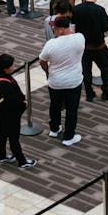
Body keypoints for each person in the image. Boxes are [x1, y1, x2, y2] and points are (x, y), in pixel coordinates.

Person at [40, 16, 86, 146]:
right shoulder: (80, 38)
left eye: (54, 27)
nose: (52, 29)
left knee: (55, 106)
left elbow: (42, 61)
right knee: (72, 109)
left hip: (56, 82)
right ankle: (68, 136)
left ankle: (54, 129)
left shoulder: (51, 44)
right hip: (74, 81)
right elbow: (75, 34)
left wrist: (48, 72)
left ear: (60, 29)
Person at [0, 54, 37, 169]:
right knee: (13, 137)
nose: (13, 67)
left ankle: (2, 156)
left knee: (3, 133)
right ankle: (22, 161)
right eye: (11, 66)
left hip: (2, 111)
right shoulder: (3, 83)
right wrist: (23, 103)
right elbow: (12, 100)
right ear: (5, 68)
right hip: (10, 113)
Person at [73, 0, 108, 103]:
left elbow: (73, 27)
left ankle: (89, 93)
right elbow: (106, 27)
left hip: (84, 46)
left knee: (86, 70)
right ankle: (106, 91)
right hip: (99, 45)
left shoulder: (76, 9)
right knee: (105, 67)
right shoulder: (100, 10)